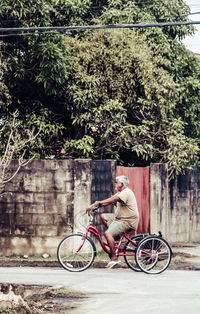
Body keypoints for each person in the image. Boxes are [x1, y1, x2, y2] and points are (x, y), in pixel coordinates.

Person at [86, 175, 139, 268]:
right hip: (120, 218)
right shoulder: (120, 193)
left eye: (116, 182)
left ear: (121, 184)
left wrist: (98, 203)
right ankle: (116, 239)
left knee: (108, 234)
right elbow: (106, 202)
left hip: (127, 220)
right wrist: (92, 206)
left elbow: (113, 200)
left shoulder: (126, 192)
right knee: (103, 216)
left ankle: (114, 258)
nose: (115, 184)